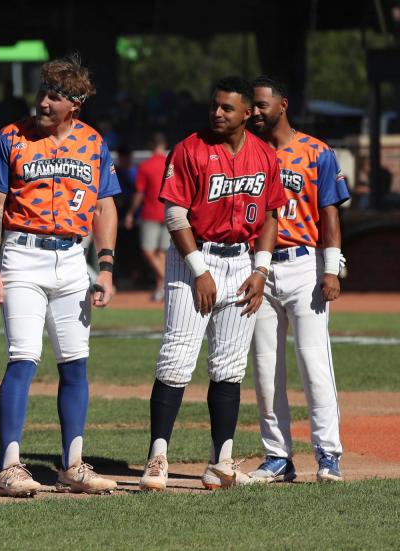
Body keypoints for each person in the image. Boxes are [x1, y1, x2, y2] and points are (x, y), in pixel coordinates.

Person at [0, 53, 120, 497]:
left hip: (73, 258)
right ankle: (9, 466)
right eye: (42, 92)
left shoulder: (93, 142)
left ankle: (72, 465)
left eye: (54, 97)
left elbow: (104, 205)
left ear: (74, 105)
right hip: (22, 255)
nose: (43, 102)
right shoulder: (11, 137)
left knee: (75, 363)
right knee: (23, 357)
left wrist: (106, 266)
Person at [138, 77, 285, 492]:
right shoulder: (190, 148)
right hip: (194, 259)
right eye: (214, 106)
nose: (217, 113)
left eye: (227, 108)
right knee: (176, 358)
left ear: (247, 114)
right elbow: (174, 215)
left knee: (229, 367)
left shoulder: (263, 154)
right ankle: (158, 456)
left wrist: (261, 270)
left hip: (241, 261)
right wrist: (199, 269)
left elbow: (271, 215)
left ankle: (221, 460)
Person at [245, 76, 350, 483]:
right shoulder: (247, 153)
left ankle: (328, 454)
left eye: (260, 105)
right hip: (258, 268)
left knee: (313, 361)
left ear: (282, 104)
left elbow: (330, 214)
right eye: (251, 106)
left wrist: (331, 267)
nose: (254, 112)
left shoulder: (316, 152)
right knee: (265, 366)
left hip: (303, 262)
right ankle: (277, 456)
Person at [124, 133, 171, 301]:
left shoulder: (145, 166)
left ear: (152, 146)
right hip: (169, 212)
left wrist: (130, 213)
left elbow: (139, 193)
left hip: (150, 213)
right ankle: (161, 289)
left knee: (148, 251)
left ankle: (166, 282)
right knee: (162, 253)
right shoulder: (171, 164)